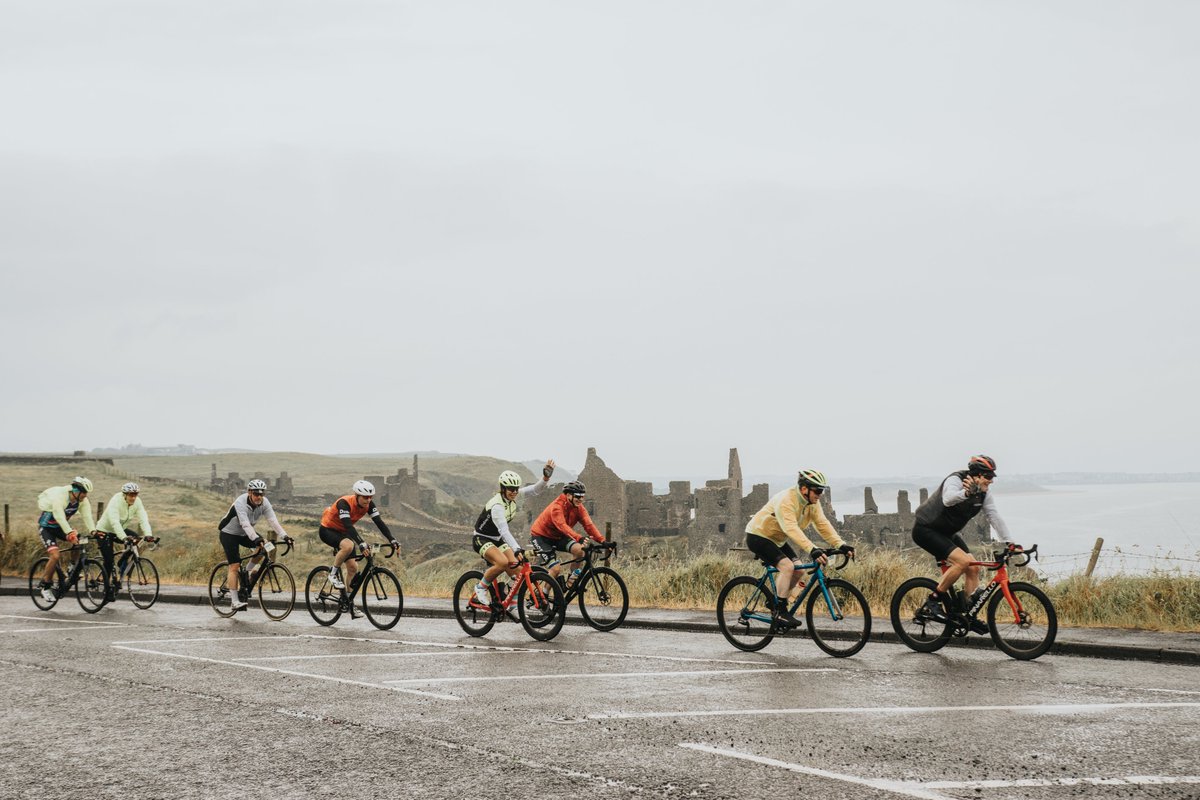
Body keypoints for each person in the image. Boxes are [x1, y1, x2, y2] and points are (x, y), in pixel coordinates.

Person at [912, 454, 1011, 632]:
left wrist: (1009, 541)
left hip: (946, 532)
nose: (991, 481)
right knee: (963, 561)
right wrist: (966, 493)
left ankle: (968, 614)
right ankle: (933, 601)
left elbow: (993, 516)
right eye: (988, 476)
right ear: (977, 475)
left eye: (992, 477)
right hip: (926, 529)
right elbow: (948, 499)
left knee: (973, 567)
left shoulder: (984, 493)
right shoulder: (955, 480)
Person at [745, 469, 854, 628]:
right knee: (787, 566)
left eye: (821, 491)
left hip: (777, 539)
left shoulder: (812, 504)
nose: (820, 494)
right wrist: (812, 549)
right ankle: (781, 612)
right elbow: (791, 528)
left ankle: (774, 601)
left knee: (799, 571)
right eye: (817, 490)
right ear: (804, 489)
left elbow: (822, 525)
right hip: (758, 536)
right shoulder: (786, 500)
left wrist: (840, 544)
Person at [471, 461, 555, 606]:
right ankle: (481, 588)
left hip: (496, 539)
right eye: (511, 489)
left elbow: (535, 490)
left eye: (516, 488)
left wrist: (545, 478)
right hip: (482, 538)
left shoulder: (514, 496)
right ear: (503, 488)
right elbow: (504, 531)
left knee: (518, 571)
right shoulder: (497, 505)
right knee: (503, 562)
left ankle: (513, 605)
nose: (514, 492)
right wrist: (516, 549)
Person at [319, 480, 400, 606]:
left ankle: (348, 602)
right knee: (348, 545)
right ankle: (332, 574)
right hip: (327, 530)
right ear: (357, 495)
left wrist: (392, 539)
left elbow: (379, 522)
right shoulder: (344, 503)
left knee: (353, 568)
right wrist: (361, 543)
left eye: (370, 497)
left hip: (343, 532)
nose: (368, 500)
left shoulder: (369, 505)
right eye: (365, 497)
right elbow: (348, 525)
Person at [217, 479, 292, 612]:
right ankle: (234, 602)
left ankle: (247, 570)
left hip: (245, 533)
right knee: (234, 566)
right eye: (256, 494)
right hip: (229, 533)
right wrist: (256, 538)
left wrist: (285, 536)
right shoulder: (240, 502)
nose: (259, 497)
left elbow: (273, 521)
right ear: (249, 492)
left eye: (261, 494)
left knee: (265, 547)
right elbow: (245, 524)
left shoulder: (264, 502)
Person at [34, 477, 97, 604]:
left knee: (80, 541)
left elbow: (87, 516)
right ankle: (45, 585)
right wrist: (69, 533)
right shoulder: (61, 496)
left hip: (59, 528)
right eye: (83, 492)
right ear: (75, 490)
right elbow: (59, 516)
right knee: (55, 555)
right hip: (47, 528)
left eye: (86, 493)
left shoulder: (82, 501)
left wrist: (93, 531)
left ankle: (71, 567)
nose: (85, 495)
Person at [529, 480, 605, 586]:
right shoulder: (557, 507)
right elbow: (562, 527)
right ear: (569, 495)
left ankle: (571, 581)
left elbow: (589, 525)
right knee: (555, 569)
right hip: (541, 537)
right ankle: (543, 594)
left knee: (579, 551)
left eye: (582, 496)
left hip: (558, 537)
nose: (581, 499)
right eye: (578, 496)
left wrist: (603, 541)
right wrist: (579, 538)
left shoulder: (579, 508)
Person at [95, 482, 154, 601]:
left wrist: (148, 534)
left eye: (135, 495)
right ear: (124, 495)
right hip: (104, 530)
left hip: (119, 530)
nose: (133, 497)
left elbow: (143, 518)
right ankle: (107, 589)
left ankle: (122, 562)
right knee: (109, 560)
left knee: (137, 540)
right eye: (130, 495)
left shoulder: (137, 502)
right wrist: (123, 537)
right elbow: (114, 522)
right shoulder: (116, 501)